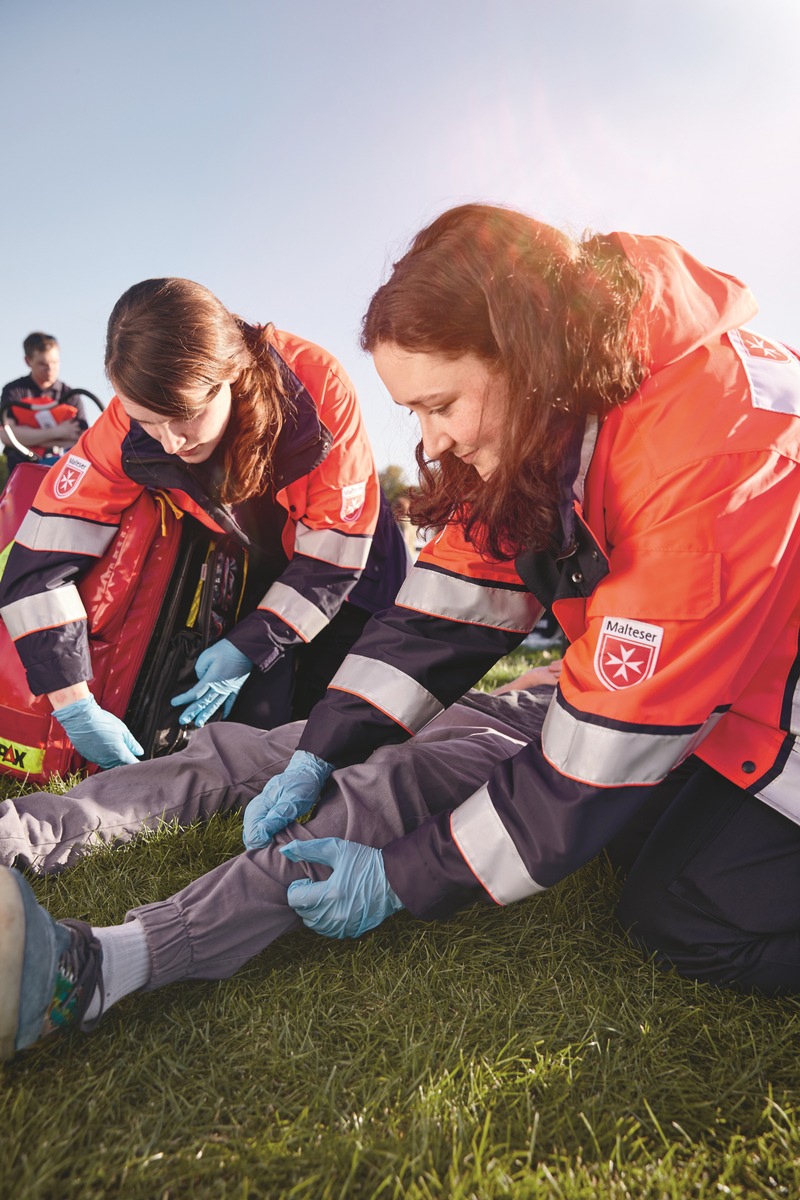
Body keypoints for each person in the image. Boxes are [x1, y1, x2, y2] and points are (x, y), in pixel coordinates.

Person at [230, 205, 800, 995]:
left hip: (782, 720)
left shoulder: (705, 454)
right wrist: (321, 746)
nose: (429, 444)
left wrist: (402, 876)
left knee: (676, 914)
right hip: (746, 698)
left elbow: (597, 757)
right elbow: (449, 606)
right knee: (625, 842)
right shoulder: (567, 406)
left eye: (440, 405)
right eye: (413, 414)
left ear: (526, 357)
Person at [0, 664, 560, 1058]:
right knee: (243, 752)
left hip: (530, 744)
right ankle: (17, 832)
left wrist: (401, 875)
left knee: (390, 785)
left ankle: (97, 969)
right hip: (465, 706)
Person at [0, 280, 410, 770]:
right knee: (259, 737)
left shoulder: (317, 389)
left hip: (355, 565)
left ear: (231, 375)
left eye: (185, 417)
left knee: (352, 732)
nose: (169, 443)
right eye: (148, 422)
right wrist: (75, 706)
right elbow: (37, 565)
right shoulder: (122, 424)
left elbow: (334, 552)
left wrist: (255, 642)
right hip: (247, 554)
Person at [0, 332, 87, 474]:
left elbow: (80, 441)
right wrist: (59, 432)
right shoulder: (14, 391)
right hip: (23, 471)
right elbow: (7, 436)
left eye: (54, 362)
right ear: (28, 361)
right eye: (43, 364)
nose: (50, 368)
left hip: (64, 472)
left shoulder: (72, 396)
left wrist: (27, 438)